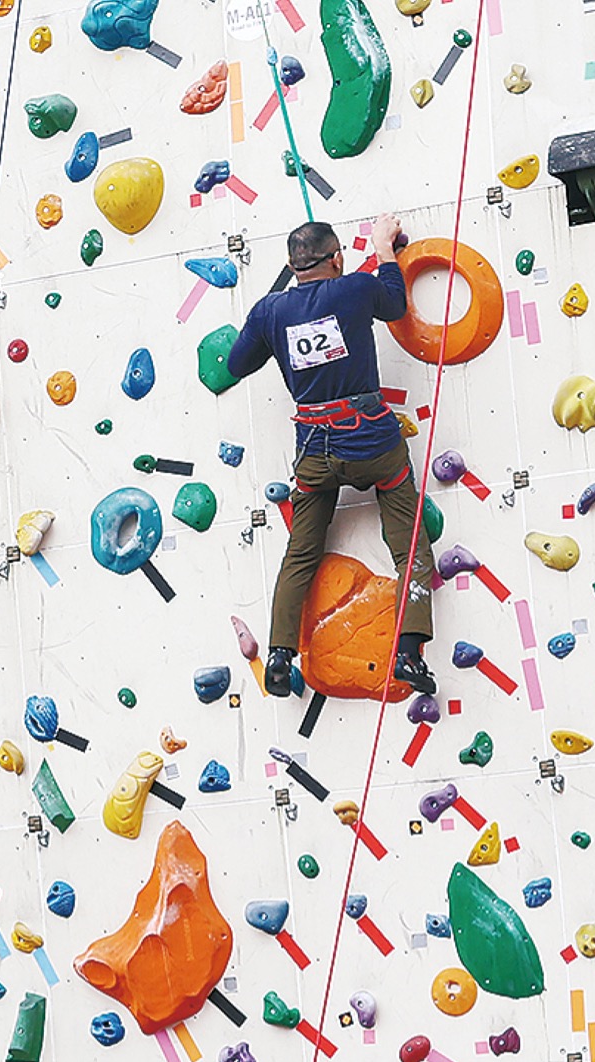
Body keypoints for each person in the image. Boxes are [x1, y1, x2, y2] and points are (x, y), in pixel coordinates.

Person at [227, 214, 436, 700]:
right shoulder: (355, 290)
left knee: (302, 553)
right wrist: (385, 249)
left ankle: (280, 657)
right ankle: (408, 652)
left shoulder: (269, 312)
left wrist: (278, 327)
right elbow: (394, 301)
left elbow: (238, 364)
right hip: (373, 445)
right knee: (408, 547)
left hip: (316, 452)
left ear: (291, 265)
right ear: (337, 258)